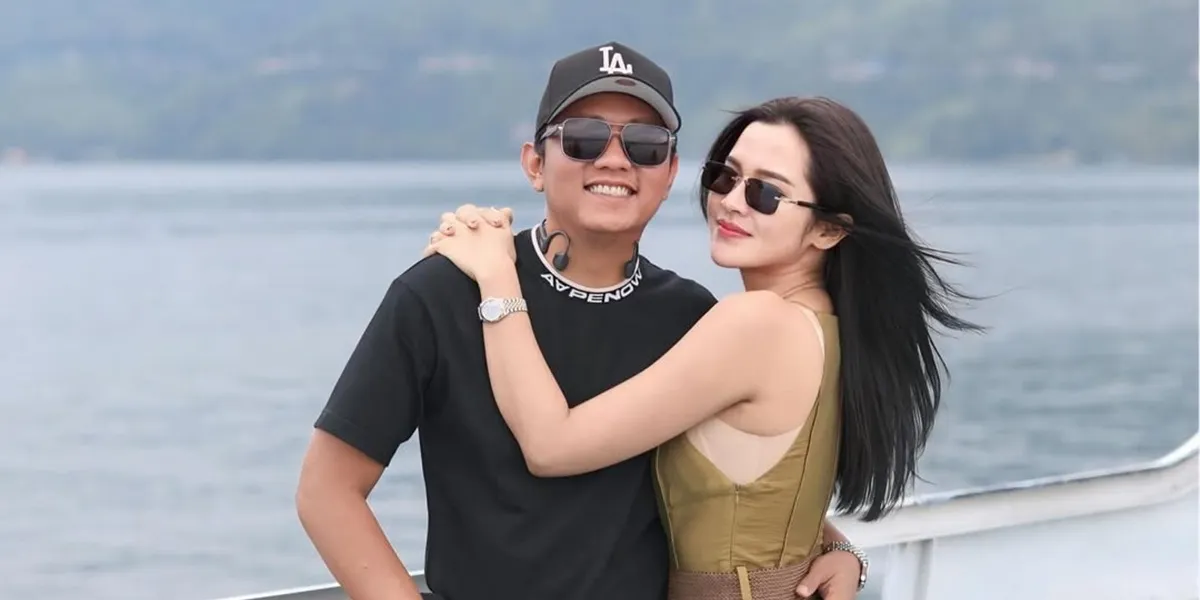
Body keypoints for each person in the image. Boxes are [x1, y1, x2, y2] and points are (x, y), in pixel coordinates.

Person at [295, 42, 867, 600]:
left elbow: (727, 486)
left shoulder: (692, 316)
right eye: (584, 138)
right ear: (535, 164)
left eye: (644, 144)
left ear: (669, 175)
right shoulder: (440, 292)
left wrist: (837, 548)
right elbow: (328, 490)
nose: (614, 158)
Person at [423, 95, 982, 599]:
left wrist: (497, 277)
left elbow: (552, 446)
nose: (733, 202)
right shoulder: (821, 325)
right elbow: (767, 491)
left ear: (828, 231)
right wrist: (837, 547)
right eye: (725, 176)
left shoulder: (756, 324)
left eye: (766, 193)